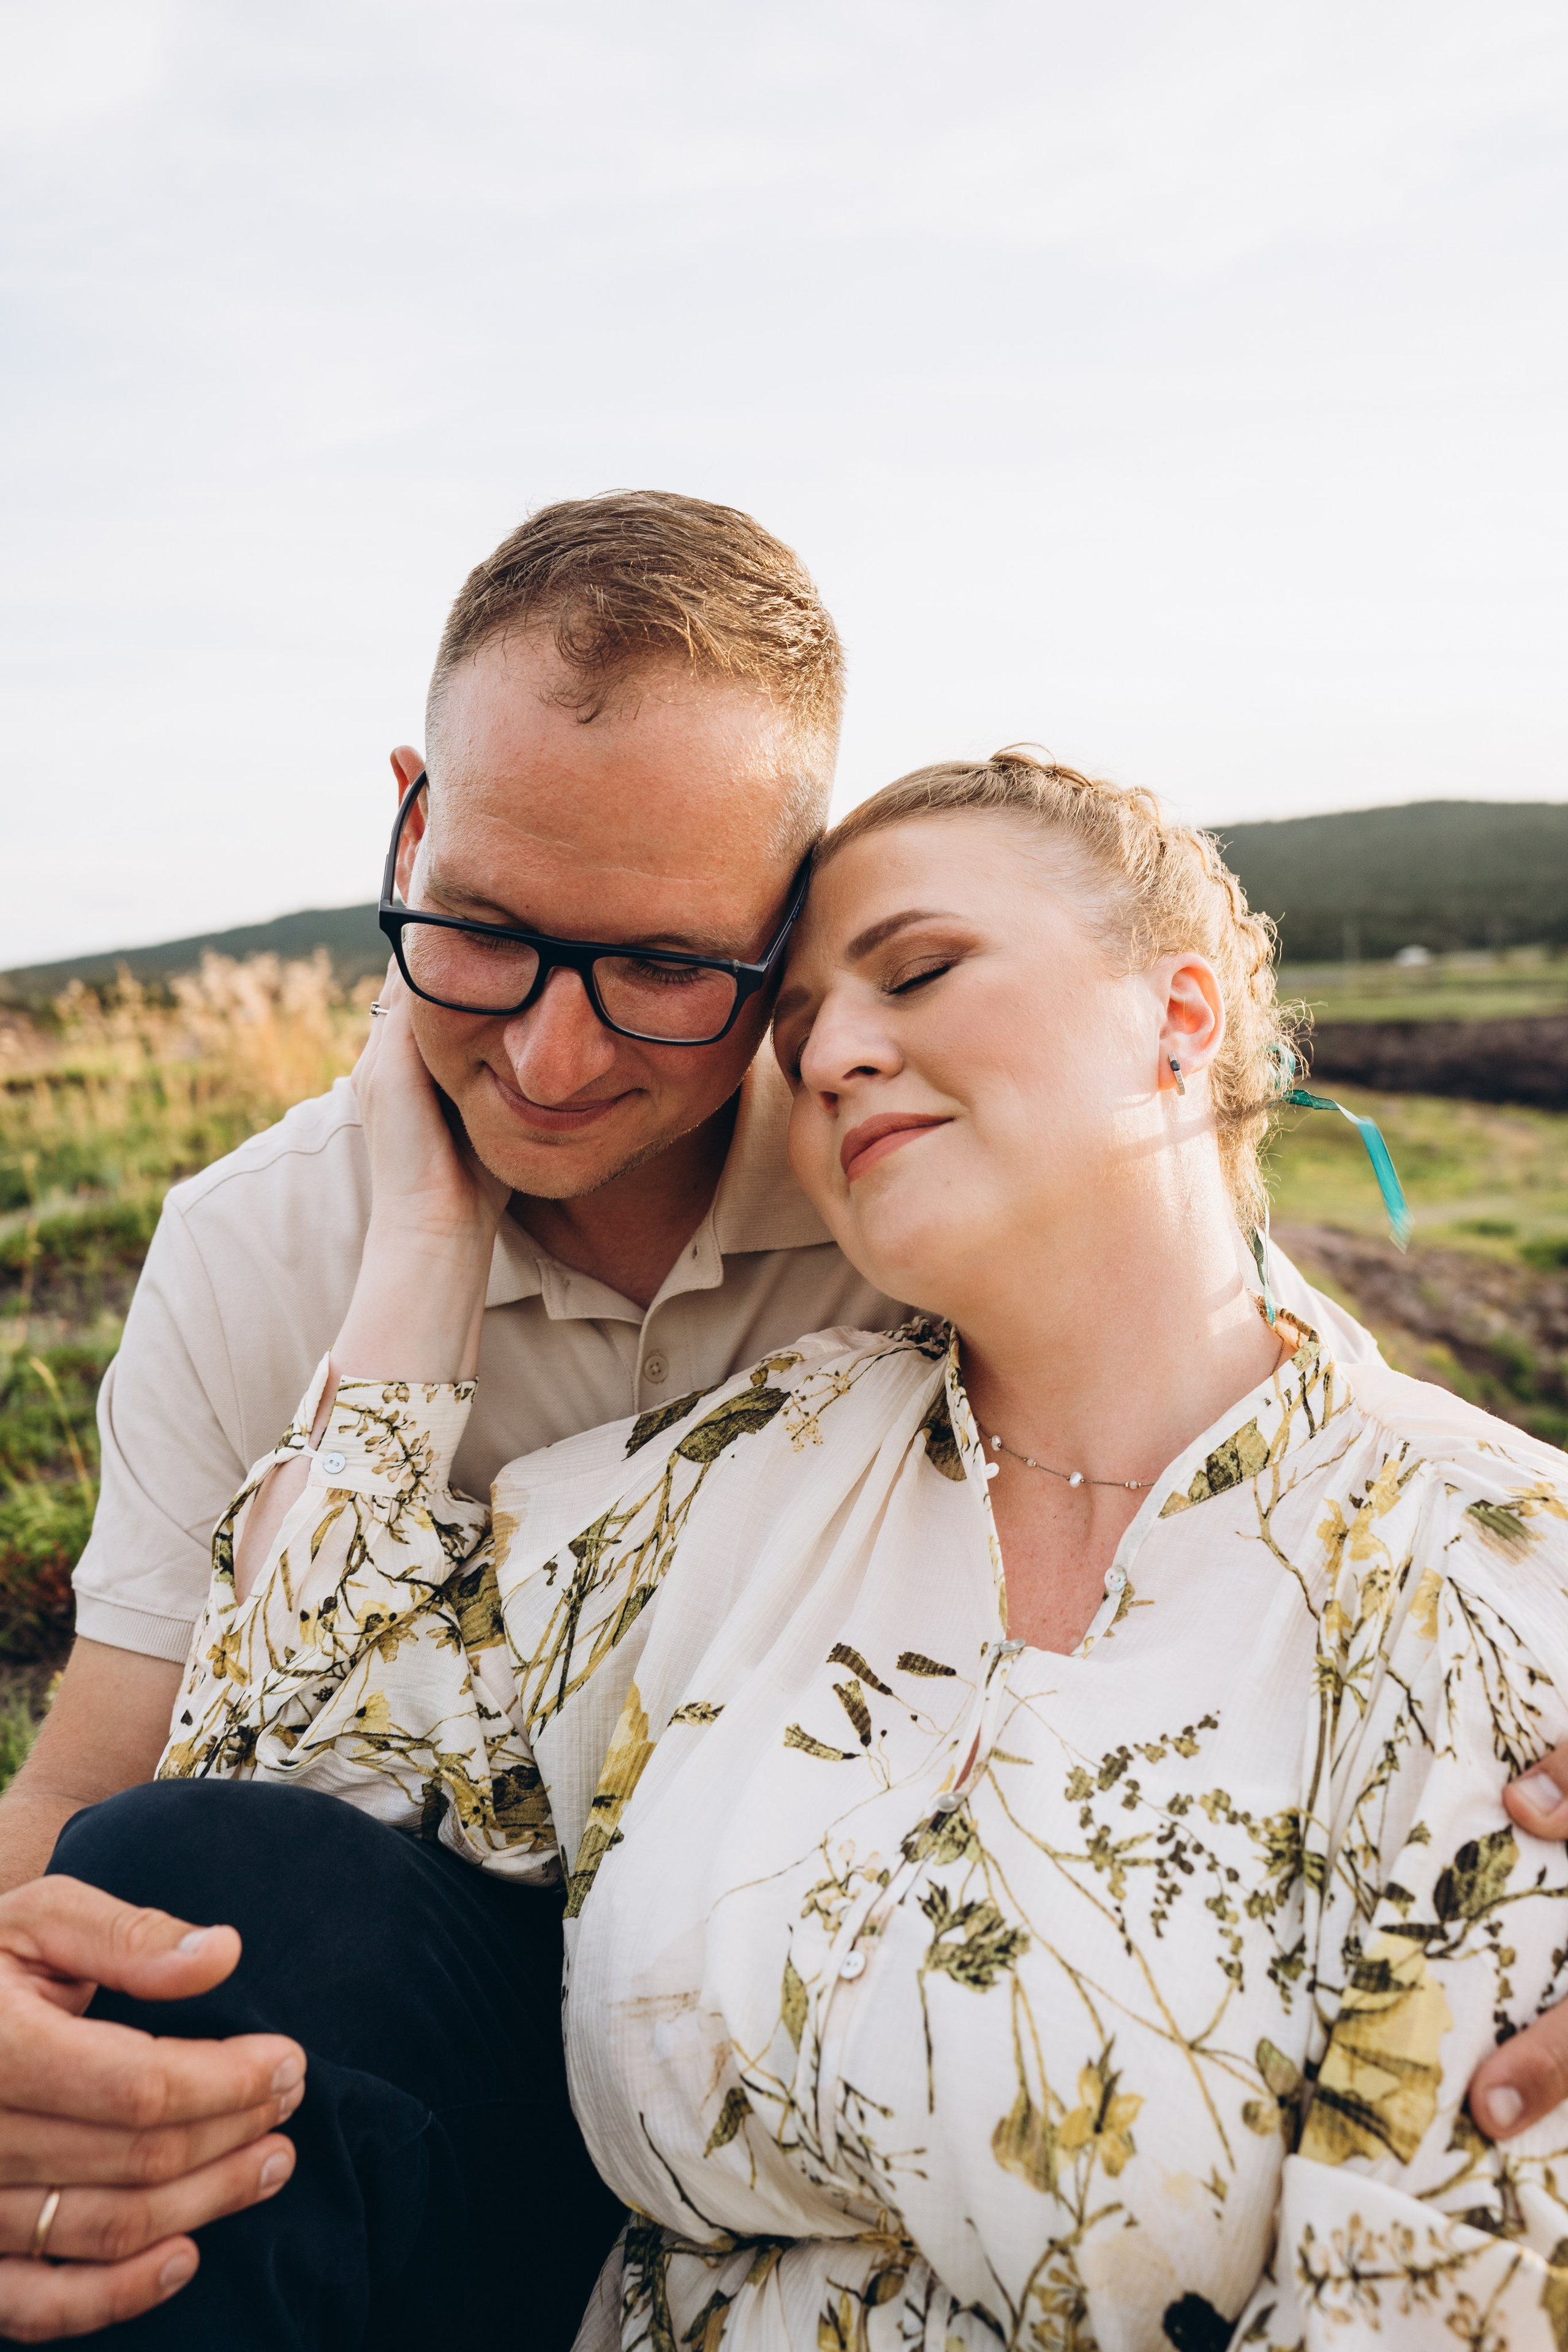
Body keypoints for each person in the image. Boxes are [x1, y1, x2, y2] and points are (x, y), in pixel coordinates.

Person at [0, 497, 1382, 2343]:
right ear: (411, 816)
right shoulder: (255, 1245)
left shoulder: (919, 1180)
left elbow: (1260, 1388)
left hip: (848, 2020)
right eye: (481, 931)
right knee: (174, 1910)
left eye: (664, 967)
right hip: (455, 2027)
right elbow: (109, 1773)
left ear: (789, 900)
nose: (549, 1065)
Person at [149, 752, 1568, 2345]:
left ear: (1180, 1014)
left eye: (920, 971)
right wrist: (424, 1231)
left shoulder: (1487, 1576)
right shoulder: (750, 1472)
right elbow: (271, 1754)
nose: (831, 1054)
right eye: (804, 1021)